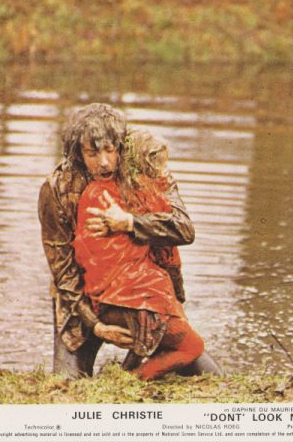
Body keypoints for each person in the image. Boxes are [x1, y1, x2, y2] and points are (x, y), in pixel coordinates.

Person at [38, 103, 219, 378]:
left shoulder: (145, 167)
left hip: (143, 296)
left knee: (210, 375)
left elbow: (184, 229)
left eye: (110, 150)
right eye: (92, 152)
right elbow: (63, 272)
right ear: (77, 152)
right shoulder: (57, 188)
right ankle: (126, 370)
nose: (104, 162)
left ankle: (130, 371)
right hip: (81, 301)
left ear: (122, 146)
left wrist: (129, 222)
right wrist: (96, 326)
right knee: (69, 383)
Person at [73, 130, 204, 378]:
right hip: (130, 300)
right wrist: (178, 299)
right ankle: (133, 379)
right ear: (146, 166)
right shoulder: (148, 197)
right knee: (193, 346)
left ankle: (130, 368)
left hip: (98, 298)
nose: (163, 174)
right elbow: (169, 255)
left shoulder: (94, 191)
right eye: (158, 168)